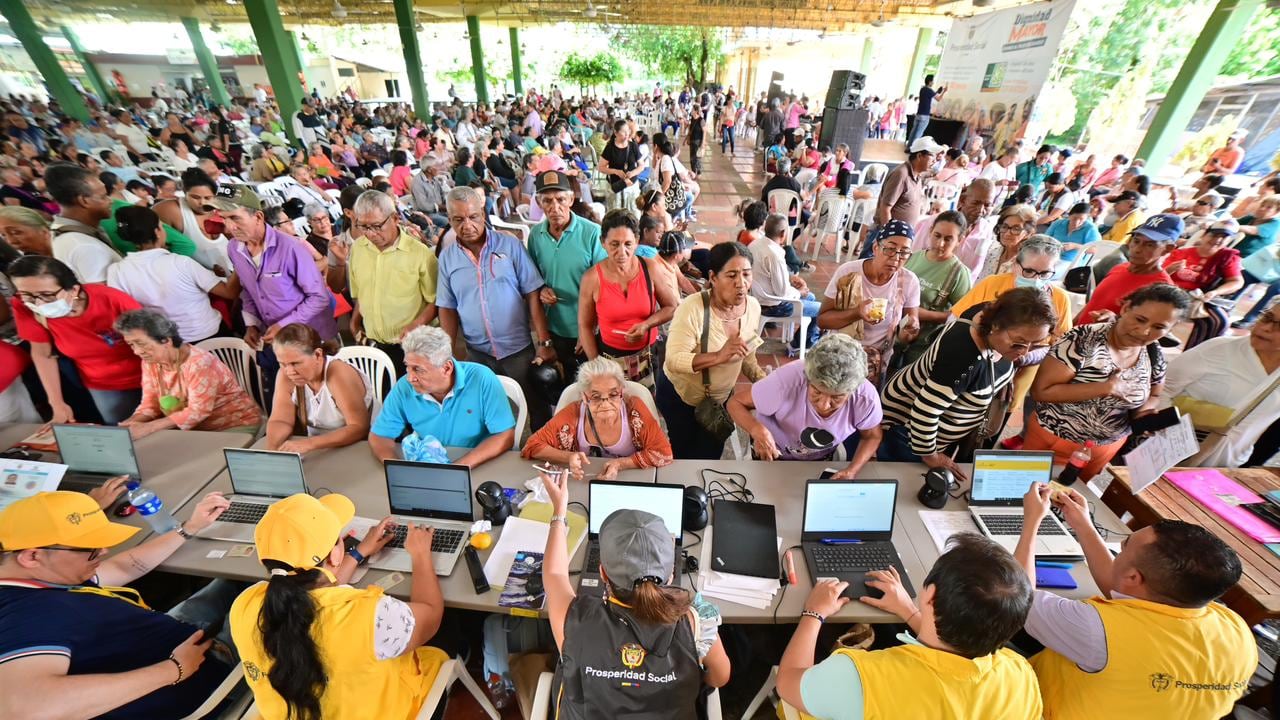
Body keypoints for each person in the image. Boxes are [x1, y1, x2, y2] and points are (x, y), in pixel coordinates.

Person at [1017, 488, 1254, 720]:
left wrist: (1031, 523)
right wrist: (1082, 524)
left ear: (1134, 577)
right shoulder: (1235, 628)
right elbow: (1121, 585)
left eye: (1124, 546)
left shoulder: (1096, 630)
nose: (1119, 550)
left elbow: (1019, 598)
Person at [0, 489, 236, 720]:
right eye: (90, 547)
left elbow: (122, 567)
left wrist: (189, 528)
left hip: (170, 634)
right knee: (265, 594)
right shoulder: (28, 616)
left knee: (235, 582)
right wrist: (175, 669)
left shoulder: (37, 577)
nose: (103, 550)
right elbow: (25, 708)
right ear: (32, 556)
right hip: (207, 676)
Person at [229, 492, 449, 720]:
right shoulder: (370, 616)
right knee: (447, 644)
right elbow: (431, 614)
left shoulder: (245, 605)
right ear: (335, 555)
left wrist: (357, 553)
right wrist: (421, 554)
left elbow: (313, 594)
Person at [778, 534, 1041, 720]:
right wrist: (911, 611)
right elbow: (951, 654)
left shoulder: (859, 676)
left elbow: (787, 682)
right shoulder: (1021, 674)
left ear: (930, 595)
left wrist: (813, 613)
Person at [537, 470, 730, 719]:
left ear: (602, 574)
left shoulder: (573, 620)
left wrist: (559, 512)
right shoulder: (696, 622)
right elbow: (720, 677)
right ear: (671, 574)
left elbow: (554, 576)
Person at [879, 288, 1056, 478]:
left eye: (1035, 343)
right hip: (908, 432)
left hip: (933, 431)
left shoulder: (989, 314)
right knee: (902, 485)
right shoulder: (963, 355)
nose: (1025, 351)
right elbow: (925, 413)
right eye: (1019, 342)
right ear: (995, 326)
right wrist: (932, 456)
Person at [1027, 284, 1189, 479]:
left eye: (1159, 327)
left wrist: (1144, 414)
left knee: (1071, 500)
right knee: (1026, 490)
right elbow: (1041, 391)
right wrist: (1105, 388)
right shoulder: (1082, 340)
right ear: (1126, 308)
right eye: (1140, 319)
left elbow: (1154, 393)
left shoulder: (1153, 352)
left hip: (1106, 447)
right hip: (1055, 437)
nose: (1145, 331)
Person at [437, 186, 558, 430]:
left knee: (536, 407)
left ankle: (545, 452)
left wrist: (544, 344)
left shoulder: (509, 246)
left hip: (517, 349)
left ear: (483, 214)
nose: (467, 225)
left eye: (473, 217)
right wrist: (445, 353)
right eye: (458, 220)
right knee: (482, 411)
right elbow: (447, 308)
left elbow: (532, 294)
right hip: (477, 352)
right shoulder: (447, 258)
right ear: (449, 220)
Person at [212, 184, 337, 401]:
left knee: (321, 401)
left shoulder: (290, 247)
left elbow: (319, 297)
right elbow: (249, 290)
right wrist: (251, 323)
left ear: (258, 216)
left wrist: (284, 324)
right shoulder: (235, 248)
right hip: (273, 340)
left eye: (235, 218)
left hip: (310, 340)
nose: (230, 226)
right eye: (224, 219)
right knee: (284, 400)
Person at [659, 242, 766, 459]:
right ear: (713, 277)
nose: (741, 283)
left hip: (719, 399)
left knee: (711, 452)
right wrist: (719, 356)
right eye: (732, 275)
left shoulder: (753, 307)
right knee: (684, 453)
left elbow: (747, 352)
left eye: (746, 274)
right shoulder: (693, 308)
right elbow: (674, 360)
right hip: (682, 396)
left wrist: (765, 383)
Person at [10, 254, 142, 424]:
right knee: (122, 431)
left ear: (74, 290)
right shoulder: (26, 307)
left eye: (47, 295)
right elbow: (43, 354)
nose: (38, 303)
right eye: (27, 295)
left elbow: (154, 346)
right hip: (102, 385)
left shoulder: (112, 301)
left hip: (147, 376)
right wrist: (57, 404)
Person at [728, 333, 883, 476]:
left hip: (820, 459)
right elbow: (735, 403)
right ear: (807, 379)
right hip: (772, 453)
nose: (823, 405)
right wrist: (757, 430)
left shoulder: (865, 398)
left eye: (837, 397)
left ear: (852, 391)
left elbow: (872, 436)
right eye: (816, 391)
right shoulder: (785, 381)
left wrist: (852, 470)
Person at [368, 325, 516, 467]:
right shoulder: (404, 387)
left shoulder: (481, 378)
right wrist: (395, 467)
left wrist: (457, 469)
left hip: (477, 462)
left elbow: (504, 435)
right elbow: (380, 435)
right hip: (428, 465)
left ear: (446, 368)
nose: (410, 378)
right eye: (408, 367)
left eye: (418, 370)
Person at [1158, 298, 1280, 467]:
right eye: (1267, 317)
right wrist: (1174, 436)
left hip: (1228, 465)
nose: (1266, 328)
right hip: (1167, 453)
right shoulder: (1217, 349)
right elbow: (1160, 389)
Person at [114, 308, 262, 438]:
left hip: (233, 425)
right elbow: (149, 405)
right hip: (192, 430)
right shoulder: (150, 362)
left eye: (141, 344)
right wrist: (131, 424)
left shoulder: (199, 363)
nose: (137, 351)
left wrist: (149, 428)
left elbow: (198, 411)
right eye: (131, 345)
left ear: (166, 341)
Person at [522, 357, 673, 479]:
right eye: (596, 397)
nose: (605, 403)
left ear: (621, 392)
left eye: (613, 395)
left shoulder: (634, 410)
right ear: (584, 397)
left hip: (630, 480)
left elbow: (663, 452)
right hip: (582, 481)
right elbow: (532, 446)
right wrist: (568, 457)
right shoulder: (574, 413)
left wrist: (620, 464)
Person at [106, 205, 234, 344]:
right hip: (210, 335)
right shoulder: (181, 263)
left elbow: (126, 313)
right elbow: (229, 292)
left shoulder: (116, 271)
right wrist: (240, 261)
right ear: (158, 231)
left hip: (168, 344)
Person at [578, 210, 677, 387]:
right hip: (609, 359)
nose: (622, 252)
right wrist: (596, 365)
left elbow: (671, 306)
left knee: (646, 407)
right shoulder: (592, 278)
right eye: (614, 244)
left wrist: (647, 324)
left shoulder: (650, 268)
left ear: (637, 241)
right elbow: (585, 326)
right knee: (615, 408)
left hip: (648, 354)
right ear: (603, 243)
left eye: (628, 244)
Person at [818, 221, 922, 385]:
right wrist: (856, 313)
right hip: (839, 352)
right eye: (890, 248)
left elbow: (906, 335)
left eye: (904, 252)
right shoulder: (848, 272)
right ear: (875, 248)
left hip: (875, 361)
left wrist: (909, 331)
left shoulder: (909, 282)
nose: (896, 258)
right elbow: (822, 320)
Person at [527, 170, 605, 382]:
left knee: (591, 382)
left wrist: (590, 328)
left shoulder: (592, 233)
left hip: (587, 327)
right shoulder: (535, 236)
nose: (555, 207)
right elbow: (534, 279)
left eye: (561, 199)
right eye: (547, 201)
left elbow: (603, 285)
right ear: (538, 202)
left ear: (571, 199)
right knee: (566, 381)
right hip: (555, 327)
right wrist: (543, 290)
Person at [346, 190, 437, 375]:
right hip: (374, 346)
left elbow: (436, 301)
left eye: (377, 226)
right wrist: (355, 323)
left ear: (395, 218)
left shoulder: (419, 253)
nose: (370, 234)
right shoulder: (357, 249)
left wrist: (416, 325)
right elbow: (361, 294)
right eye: (363, 226)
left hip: (414, 347)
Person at [263, 323, 372, 455]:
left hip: (360, 444)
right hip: (318, 447)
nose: (290, 371)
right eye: (282, 363)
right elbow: (280, 420)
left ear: (318, 355)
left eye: (295, 363)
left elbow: (358, 427)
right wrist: (272, 450)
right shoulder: (285, 375)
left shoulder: (338, 373)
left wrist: (310, 444)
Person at [951, 234, 1073, 342]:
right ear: (1015, 264)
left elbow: (1061, 340)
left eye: (1045, 273)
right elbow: (956, 318)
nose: (1036, 279)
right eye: (1029, 271)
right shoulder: (992, 283)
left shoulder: (1060, 298)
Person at [1076, 215, 1182, 324]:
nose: (1137, 250)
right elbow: (1092, 304)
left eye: (1149, 245)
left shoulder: (1161, 291)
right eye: (1136, 241)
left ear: (1167, 249)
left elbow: (1145, 331)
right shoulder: (1119, 267)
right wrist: (1068, 327)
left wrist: (1114, 322)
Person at [901, 210, 974, 363]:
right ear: (930, 231)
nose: (940, 244)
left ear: (960, 240)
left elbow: (963, 316)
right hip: (895, 336)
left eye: (948, 239)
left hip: (922, 348)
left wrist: (921, 314)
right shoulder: (913, 257)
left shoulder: (959, 273)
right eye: (937, 235)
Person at [1160, 220, 1244, 348]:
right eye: (1214, 235)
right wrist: (1171, 269)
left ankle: (1196, 351)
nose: (1218, 240)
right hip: (1171, 290)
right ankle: (1164, 330)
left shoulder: (1227, 257)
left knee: (1218, 321)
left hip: (1201, 296)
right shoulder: (1181, 253)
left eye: (1224, 237)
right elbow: (1160, 275)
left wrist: (1215, 292)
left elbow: (1236, 282)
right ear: (1204, 235)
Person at [751, 212, 821, 350]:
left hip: (757, 298)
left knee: (811, 297)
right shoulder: (774, 254)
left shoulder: (755, 244)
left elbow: (767, 274)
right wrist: (799, 292)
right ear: (783, 233)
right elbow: (782, 292)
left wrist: (789, 278)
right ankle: (802, 344)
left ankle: (801, 340)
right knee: (821, 309)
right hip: (774, 307)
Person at [42, 163, 121, 283]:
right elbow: (109, 296)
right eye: (103, 197)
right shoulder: (85, 246)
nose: (110, 201)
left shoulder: (66, 231)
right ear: (84, 200)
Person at [153, 168, 231, 275]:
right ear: (185, 193)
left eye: (208, 198)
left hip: (234, 270)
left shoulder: (223, 208)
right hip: (197, 276)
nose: (202, 202)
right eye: (195, 197)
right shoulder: (171, 210)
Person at [912, 179, 997, 276]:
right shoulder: (935, 222)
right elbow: (914, 255)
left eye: (987, 205)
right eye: (975, 203)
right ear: (963, 200)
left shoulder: (987, 231)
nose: (981, 210)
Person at [876, 137, 942, 229]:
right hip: (889, 237)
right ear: (919, 156)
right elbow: (885, 208)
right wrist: (888, 235)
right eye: (932, 155)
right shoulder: (901, 174)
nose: (935, 160)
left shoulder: (917, 175)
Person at [599, 120, 643, 212]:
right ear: (616, 133)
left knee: (633, 211)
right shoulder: (610, 148)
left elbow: (641, 165)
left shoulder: (633, 146)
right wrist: (615, 171)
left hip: (631, 186)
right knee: (617, 213)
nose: (627, 134)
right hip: (617, 186)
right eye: (624, 132)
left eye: (628, 131)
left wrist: (633, 172)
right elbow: (601, 167)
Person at [1045, 202, 1101, 269]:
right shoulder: (1058, 223)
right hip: (1051, 255)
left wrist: (1075, 246)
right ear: (1069, 215)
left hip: (1071, 262)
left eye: (1081, 219)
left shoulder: (1090, 229)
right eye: (1074, 218)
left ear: (1086, 218)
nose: (1077, 222)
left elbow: (1094, 250)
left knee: (1049, 270)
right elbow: (1045, 238)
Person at [906, 74, 947, 147]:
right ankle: (913, 149)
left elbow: (932, 95)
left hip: (918, 114)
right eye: (933, 81)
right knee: (918, 133)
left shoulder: (923, 89)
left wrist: (938, 91)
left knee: (913, 132)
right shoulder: (929, 90)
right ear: (930, 82)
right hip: (925, 115)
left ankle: (908, 147)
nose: (933, 83)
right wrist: (944, 91)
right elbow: (938, 99)